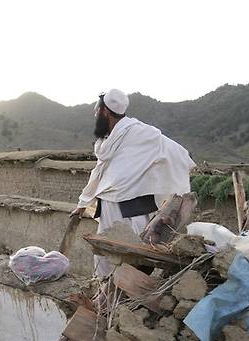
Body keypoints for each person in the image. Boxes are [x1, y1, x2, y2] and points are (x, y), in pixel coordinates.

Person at [71, 89, 196, 278]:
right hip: (109, 205)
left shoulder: (140, 132)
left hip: (134, 207)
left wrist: (180, 171)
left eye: (97, 110)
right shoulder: (107, 140)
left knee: (132, 258)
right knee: (104, 255)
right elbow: (99, 172)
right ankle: (103, 296)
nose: (95, 114)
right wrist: (82, 205)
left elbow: (176, 151)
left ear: (105, 111)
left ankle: (127, 301)